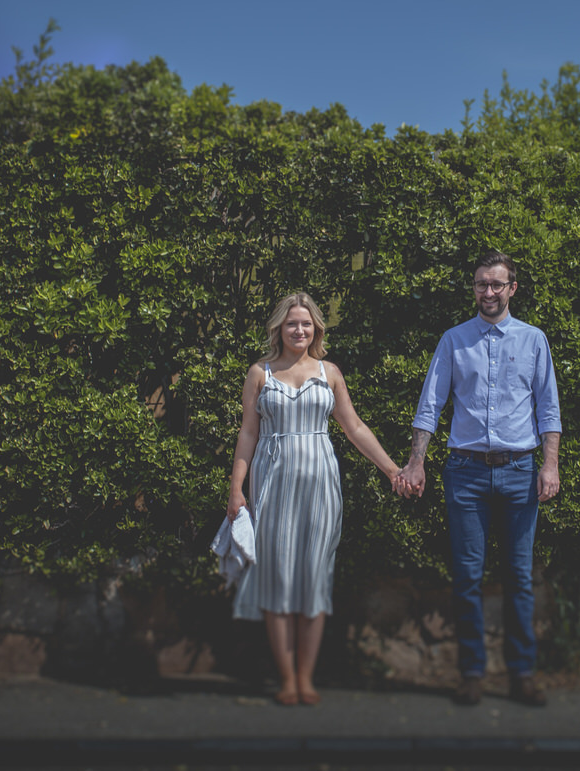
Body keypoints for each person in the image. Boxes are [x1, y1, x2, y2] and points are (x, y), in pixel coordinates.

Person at [396, 251, 561, 707]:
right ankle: (471, 673)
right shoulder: (454, 340)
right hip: (465, 474)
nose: (488, 292)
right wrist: (416, 462)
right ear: (474, 288)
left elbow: (548, 408)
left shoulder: (533, 340)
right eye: (481, 284)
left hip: (519, 474)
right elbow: (430, 404)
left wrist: (550, 465)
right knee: (467, 577)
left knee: (519, 578)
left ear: (512, 288)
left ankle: (522, 675)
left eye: (496, 284)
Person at [227, 292, 403, 706]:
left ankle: (307, 677)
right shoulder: (259, 373)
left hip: (321, 485)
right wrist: (236, 488)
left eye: (306, 324)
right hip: (272, 486)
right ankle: (288, 678)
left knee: (314, 582)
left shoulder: (330, 372)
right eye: (292, 324)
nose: (299, 330)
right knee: (277, 581)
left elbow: (354, 427)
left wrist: (393, 469)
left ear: (317, 329)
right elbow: (247, 434)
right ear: (279, 329)